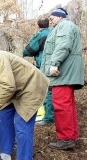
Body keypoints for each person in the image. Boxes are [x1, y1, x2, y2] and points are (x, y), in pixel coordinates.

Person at [40, 8, 84, 150]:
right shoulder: (63, 26)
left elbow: (63, 46)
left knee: (61, 105)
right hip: (66, 74)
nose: (50, 20)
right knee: (68, 105)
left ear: (60, 17)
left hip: (63, 73)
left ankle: (66, 139)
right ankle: (71, 136)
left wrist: (54, 63)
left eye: (52, 17)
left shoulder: (65, 26)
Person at [23, 17, 54, 126]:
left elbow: (28, 50)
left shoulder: (41, 35)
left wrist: (26, 52)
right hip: (55, 65)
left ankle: (49, 118)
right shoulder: (53, 32)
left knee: (47, 90)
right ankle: (51, 116)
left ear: (38, 25)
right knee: (53, 90)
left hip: (44, 66)